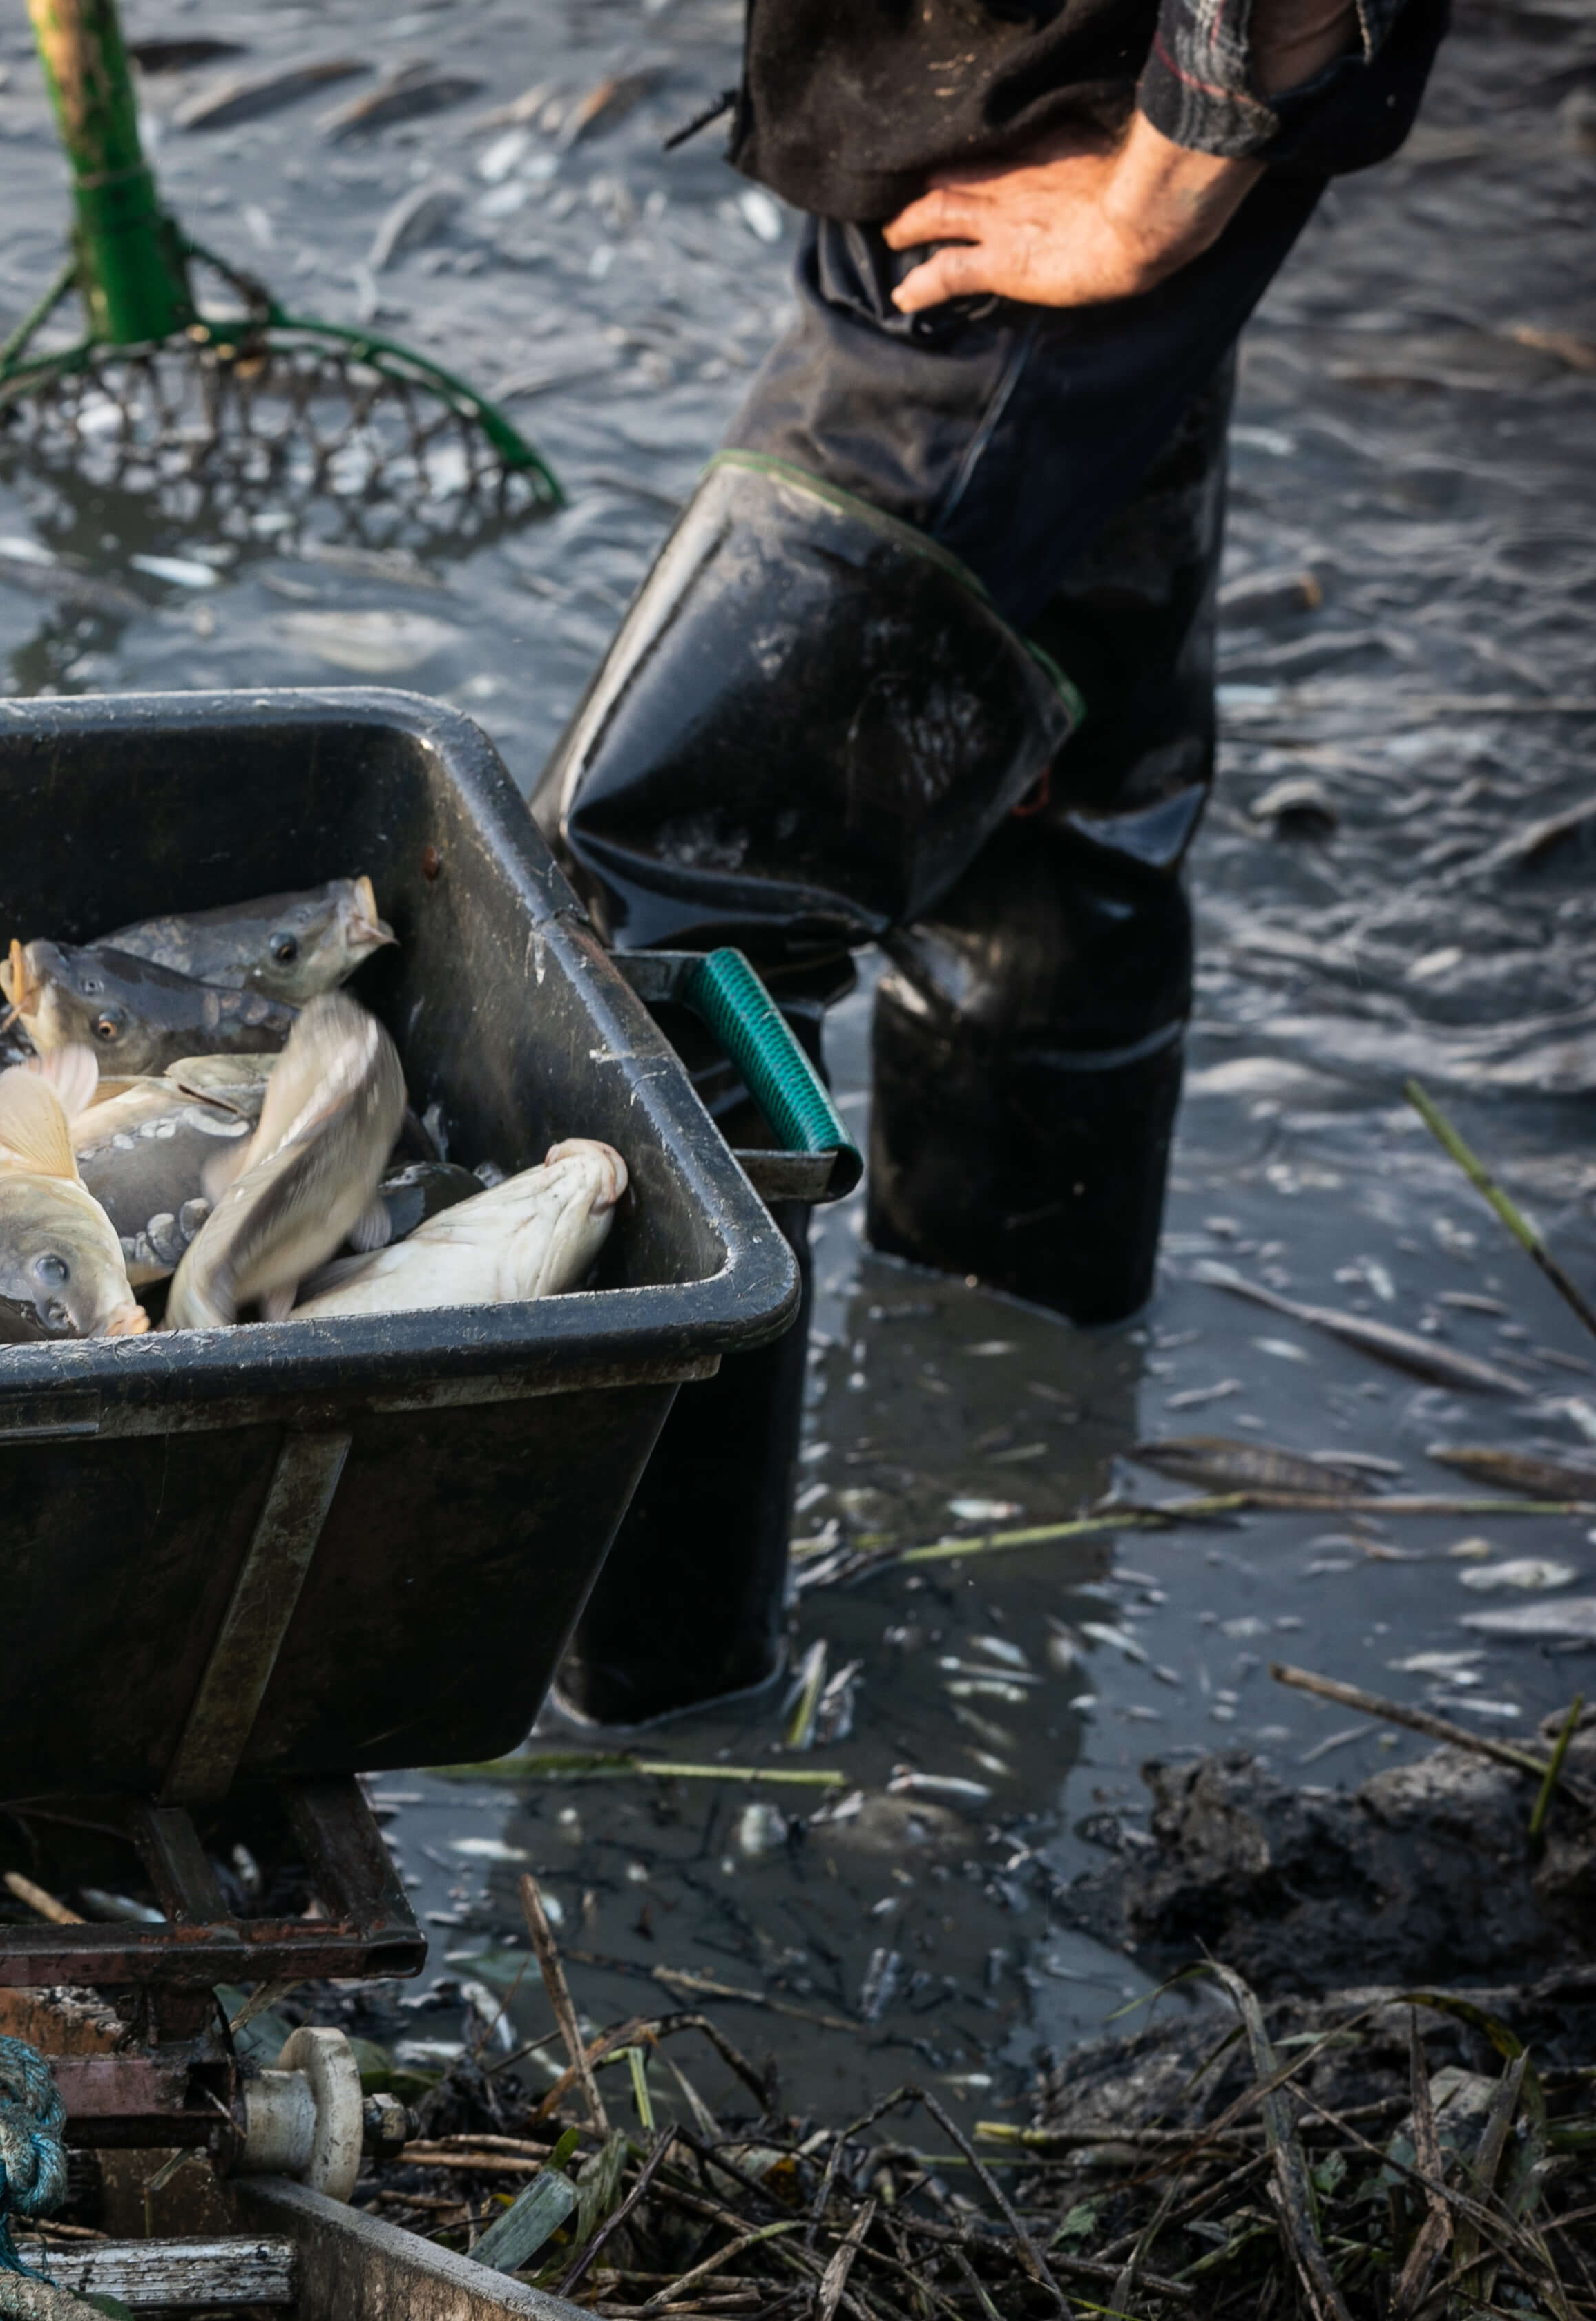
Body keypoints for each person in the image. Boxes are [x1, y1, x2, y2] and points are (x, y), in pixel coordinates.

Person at [539, 0, 1445, 1723]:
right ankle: (1027, 1441)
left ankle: (645, 1711)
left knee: (656, 900)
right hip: (995, 109)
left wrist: (1176, 165)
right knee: (1044, 780)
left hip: (1065, 135)